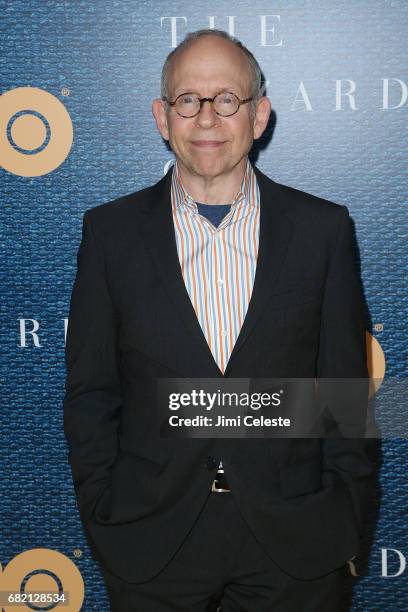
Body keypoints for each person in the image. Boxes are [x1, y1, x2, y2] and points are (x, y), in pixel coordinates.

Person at [63, 28, 374, 611]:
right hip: (151, 540)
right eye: (188, 100)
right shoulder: (109, 235)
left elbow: (345, 397)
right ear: (163, 116)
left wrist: (342, 517)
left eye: (227, 99)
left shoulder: (323, 232)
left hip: (295, 542)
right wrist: (105, 514)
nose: (207, 118)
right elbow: (92, 395)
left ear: (259, 116)